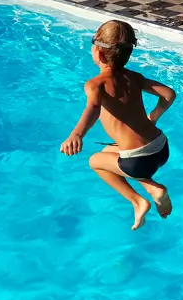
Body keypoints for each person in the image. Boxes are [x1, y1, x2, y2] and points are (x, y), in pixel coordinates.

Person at [60, 20, 176, 230]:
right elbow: (169, 94)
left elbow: (93, 108)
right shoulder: (134, 77)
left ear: (99, 52)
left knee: (95, 161)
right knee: (108, 150)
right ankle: (151, 189)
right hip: (161, 147)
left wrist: (77, 134)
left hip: (139, 162)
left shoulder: (96, 84)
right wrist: (153, 117)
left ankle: (138, 200)